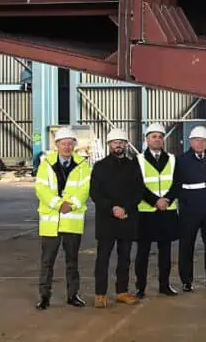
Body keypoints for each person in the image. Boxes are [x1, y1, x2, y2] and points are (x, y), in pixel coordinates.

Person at [34, 127, 91, 310]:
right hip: (51, 222)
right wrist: (59, 204)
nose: (67, 146)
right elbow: (41, 190)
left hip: (72, 221)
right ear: (56, 145)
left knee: (72, 262)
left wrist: (71, 204)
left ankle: (73, 295)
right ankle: (44, 297)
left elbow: (84, 189)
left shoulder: (82, 165)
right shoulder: (45, 164)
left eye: (70, 143)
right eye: (63, 143)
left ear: (74, 145)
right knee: (47, 262)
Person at [90, 128, 146, 308]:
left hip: (127, 219)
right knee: (103, 258)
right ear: (109, 145)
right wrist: (112, 208)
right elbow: (95, 193)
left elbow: (139, 191)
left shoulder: (133, 166)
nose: (118, 145)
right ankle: (100, 294)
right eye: (115, 142)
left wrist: (125, 208)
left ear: (126, 145)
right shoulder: (99, 167)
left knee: (125, 258)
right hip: (107, 220)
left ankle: (122, 292)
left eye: (121, 142)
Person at [174, 125, 206, 291]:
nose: (200, 143)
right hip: (189, 211)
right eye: (196, 140)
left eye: (203, 141)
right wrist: (185, 203)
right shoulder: (181, 161)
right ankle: (187, 281)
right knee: (187, 246)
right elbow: (176, 185)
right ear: (190, 141)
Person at [135, 122, 179, 298]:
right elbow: (137, 186)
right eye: (154, 136)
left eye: (160, 137)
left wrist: (166, 199)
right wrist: (155, 201)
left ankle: (164, 285)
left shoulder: (173, 159)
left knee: (165, 252)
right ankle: (140, 287)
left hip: (167, 211)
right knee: (142, 252)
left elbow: (177, 183)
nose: (157, 139)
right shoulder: (137, 160)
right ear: (147, 139)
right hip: (146, 212)